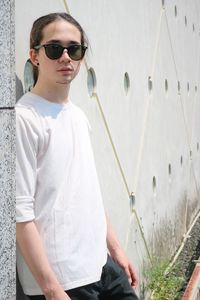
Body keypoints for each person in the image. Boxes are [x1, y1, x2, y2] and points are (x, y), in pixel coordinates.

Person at [16, 12, 139, 300]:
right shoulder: (25, 118)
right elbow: (20, 214)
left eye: (75, 49)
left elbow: (89, 192)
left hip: (101, 266)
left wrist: (116, 249)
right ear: (35, 56)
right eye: (54, 48)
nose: (66, 57)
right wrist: (51, 289)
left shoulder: (78, 115)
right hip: (64, 280)